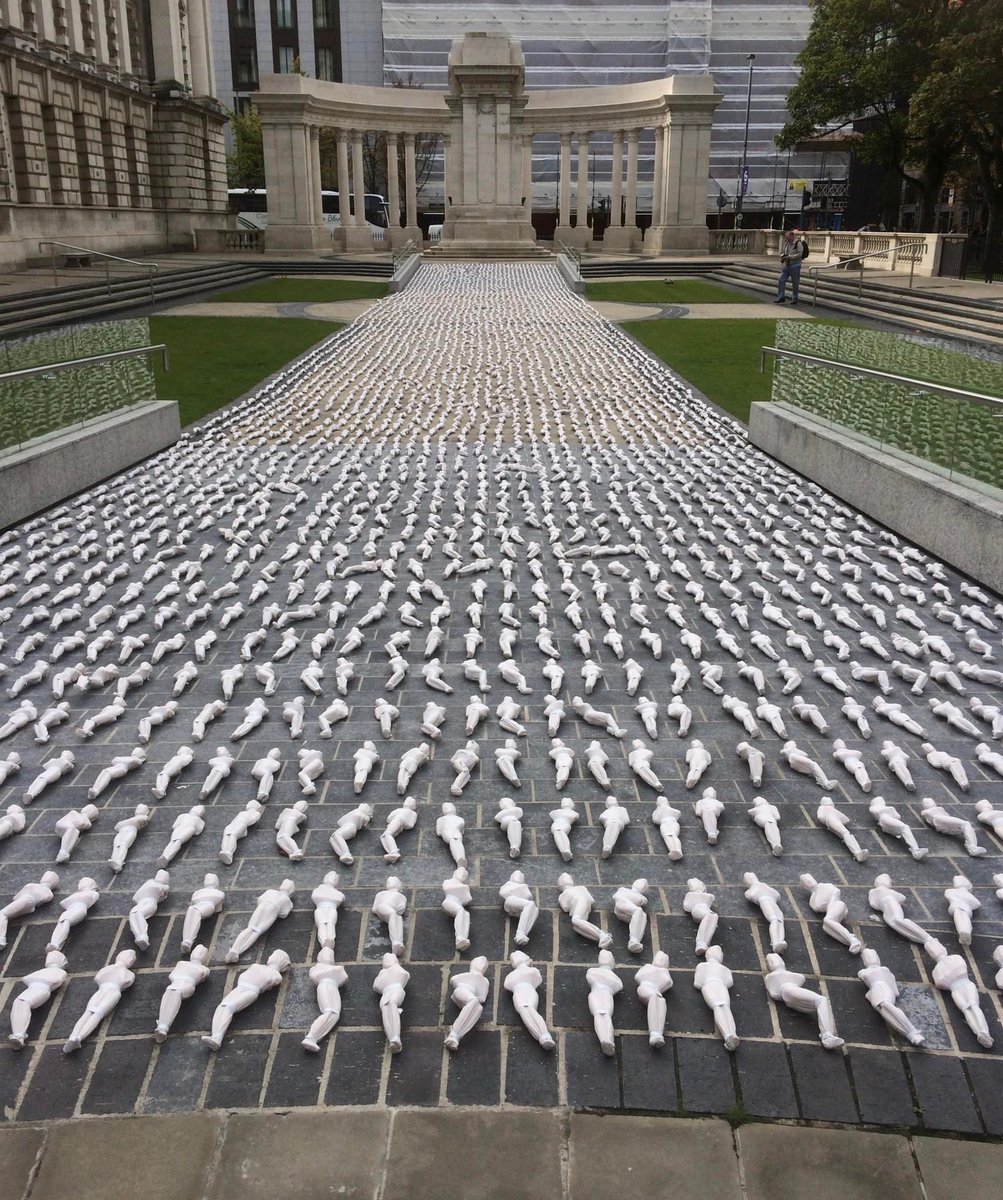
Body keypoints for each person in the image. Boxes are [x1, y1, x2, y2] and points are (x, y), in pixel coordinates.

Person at [775, 227, 806, 305]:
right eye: (786, 238)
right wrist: (783, 256)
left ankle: (794, 298)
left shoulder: (798, 243)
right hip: (786, 265)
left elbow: (800, 254)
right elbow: (784, 252)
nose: (787, 239)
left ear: (792, 236)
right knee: (781, 280)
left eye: (788, 238)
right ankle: (781, 297)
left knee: (795, 283)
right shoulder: (786, 244)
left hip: (795, 265)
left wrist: (790, 257)